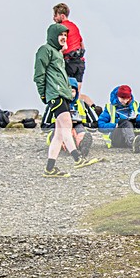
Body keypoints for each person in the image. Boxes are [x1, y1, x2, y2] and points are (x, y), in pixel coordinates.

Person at [34, 23, 101, 177]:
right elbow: (39, 74)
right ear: (53, 36)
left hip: (62, 94)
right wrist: (43, 95)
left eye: (65, 35)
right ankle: (78, 159)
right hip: (55, 94)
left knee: (58, 134)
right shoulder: (45, 50)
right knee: (66, 126)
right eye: (60, 35)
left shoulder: (57, 53)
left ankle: (49, 169)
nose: (64, 37)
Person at [41, 77, 98, 157]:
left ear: (76, 92)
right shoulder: (53, 104)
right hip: (59, 129)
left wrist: (80, 123)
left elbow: (95, 124)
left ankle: (82, 145)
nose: (69, 94)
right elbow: (44, 126)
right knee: (60, 132)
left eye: (72, 91)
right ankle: (63, 145)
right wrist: (61, 124)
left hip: (78, 128)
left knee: (82, 132)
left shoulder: (82, 104)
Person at [52, 3, 94, 106]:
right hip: (79, 62)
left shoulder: (60, 28)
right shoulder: (74, 26)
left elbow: (59, 45)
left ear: (62, 16)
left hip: (68, 62)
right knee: (77, 93)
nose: (54, 18)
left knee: (65, 90)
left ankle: (66, 113)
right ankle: (92, 107)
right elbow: (82, 45)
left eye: (55, 15)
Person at [97, 85, 140, 153]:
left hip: (132, 133)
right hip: (117, 138)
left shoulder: (137, 105)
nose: (125, 101)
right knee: (125, 122)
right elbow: (100, 126)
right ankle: (132, 143)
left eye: (127, 98)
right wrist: (115, 125)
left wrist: (138, 118)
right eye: (122, 98)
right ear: (118, 96)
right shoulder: (109, 107)